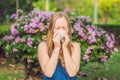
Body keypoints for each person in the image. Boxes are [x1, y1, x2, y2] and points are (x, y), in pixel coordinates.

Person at [38, 11, 81, 80]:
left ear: (68, 30)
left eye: (64, 28)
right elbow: (48, 73)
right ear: (52, 30)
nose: (61, 31)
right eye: (58, 28)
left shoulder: (75, 47)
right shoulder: (43, 47)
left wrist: (64, 47)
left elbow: (72, 73)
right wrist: (57, 47)